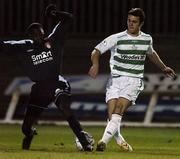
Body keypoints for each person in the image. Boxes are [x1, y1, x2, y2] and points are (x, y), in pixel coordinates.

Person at [0, 4, 94, 151]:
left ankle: (84, 142)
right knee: (25, 127)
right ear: (30, 36)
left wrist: (54, 14)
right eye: (34, 35)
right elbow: (3, 45)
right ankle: (29, 135)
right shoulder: (24, 47)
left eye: (40, 33)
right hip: (39, 90)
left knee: (65, 108)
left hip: (57, 83)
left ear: (43, 33)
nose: (38, 37)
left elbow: (69, 19)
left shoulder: (53, 40)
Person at [88, 8, 176, 152]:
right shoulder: (117, 38)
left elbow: (151, 53)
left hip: (133, 80)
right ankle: (119, 140)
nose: (130, 24)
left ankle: (102, 142)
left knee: (118, 109)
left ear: (141, 23)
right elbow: (96, 51)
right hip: (115, 80)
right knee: (112, 116)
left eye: (134, 22)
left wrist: (163, 67)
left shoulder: (146, 39)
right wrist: (95, 64)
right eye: (129, 21)